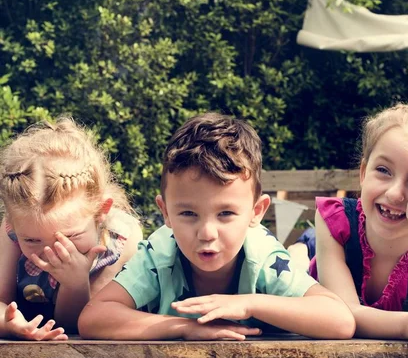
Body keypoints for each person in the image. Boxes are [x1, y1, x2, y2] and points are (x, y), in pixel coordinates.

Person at [78, 112, 355, 341]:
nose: (207, 233)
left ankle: (299, 251)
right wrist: (184, 327)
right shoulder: (159, 253)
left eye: (225, 213)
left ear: (255, 212)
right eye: (188, 213)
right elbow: (94, 317)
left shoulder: (262, 255)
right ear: (166, 214)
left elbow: (339, 320)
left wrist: (248, 303)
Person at [291, 103, 408, 349]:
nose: (395, 194)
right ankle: (299, 249)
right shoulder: (335, 221)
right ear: (364, 172)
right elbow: (343, 313)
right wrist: (405, 325)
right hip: (314, 264)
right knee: (299, 257)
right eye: (383, 170)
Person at [0, 118, 142, 340]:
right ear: (11, 223)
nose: (52, 252)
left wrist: (75, 284)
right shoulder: (15, 225)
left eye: (71, 236)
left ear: (101, 211)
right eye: (32, 241)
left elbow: (81, 325)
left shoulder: (120, 241)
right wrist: (8, 322)